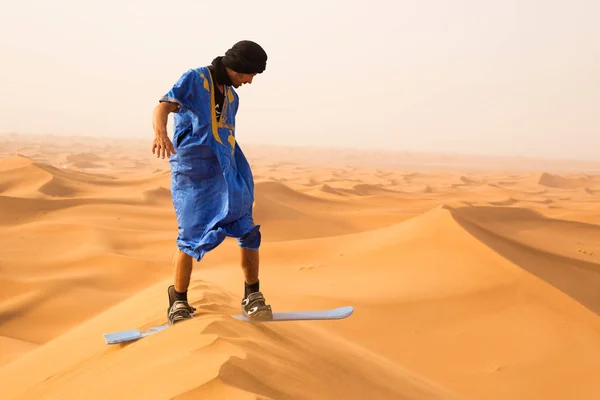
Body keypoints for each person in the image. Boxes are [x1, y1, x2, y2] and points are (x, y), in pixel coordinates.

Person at [151, 40, 273, 325]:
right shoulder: (195, 78)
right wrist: (160, 133)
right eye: (248, 74)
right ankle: (178, 300)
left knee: (247, 226)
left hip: (227, 170)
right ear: (237, 67)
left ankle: (252, 296)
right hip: (194, 173)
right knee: (190, 236)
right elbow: (163, 106)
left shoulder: (232, 98)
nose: (250, 81)